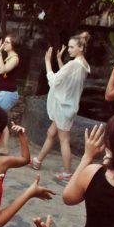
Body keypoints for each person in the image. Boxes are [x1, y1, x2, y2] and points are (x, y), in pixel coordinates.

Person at [31, 32, 91, 181]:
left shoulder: (74, 64)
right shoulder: (83, 65)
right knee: (51, 133)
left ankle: (67, 173)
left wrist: (47, 61)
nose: (69, 50)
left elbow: (56, 79)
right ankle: (38, 160)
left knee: (64, 139)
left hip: (64, 107)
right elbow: (67, 76)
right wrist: (58, 59)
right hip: (67, 106)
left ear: (81, 47)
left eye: (71, 47)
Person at [0, 34, 20, 155]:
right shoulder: (8, 56)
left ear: (14, 45)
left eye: (7, 42)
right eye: (4, 41)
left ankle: (1, 147)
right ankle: (3, 148)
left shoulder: (14, 58)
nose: (4, 44)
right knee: (1, 120)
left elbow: (3, 70)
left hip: (8, 93)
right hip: (3, 92)